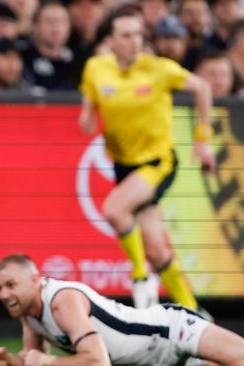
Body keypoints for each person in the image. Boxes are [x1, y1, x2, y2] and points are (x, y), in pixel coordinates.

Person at [0, 253, 244, 366]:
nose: (3, 293)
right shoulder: (29, 311)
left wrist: (39, 363)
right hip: (159, 355)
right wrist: (17, 360)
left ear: (35, 278)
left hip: (171, 332)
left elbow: (96, 361)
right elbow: (40, 358)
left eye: (10, 284)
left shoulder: (61, 300)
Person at [78, 8, 215, 310]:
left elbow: (202, 88)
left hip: (157, 162)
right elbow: (88, 114)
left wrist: (203, 140)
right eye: (126, 35)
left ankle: (141, 278)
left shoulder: (159, 69)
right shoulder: (96, 69)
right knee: (156, 248)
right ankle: (194, 311)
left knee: (114, 209)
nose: (135, 42)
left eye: (139, 34)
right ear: (110, 41)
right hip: (123, 163)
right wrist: (87, 117)